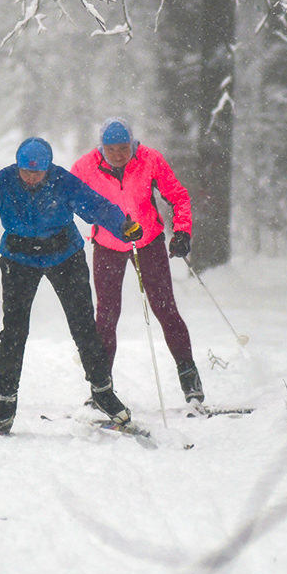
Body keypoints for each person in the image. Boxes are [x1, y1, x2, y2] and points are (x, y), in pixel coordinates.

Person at [0, 137, 144, 434]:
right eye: (26, 171)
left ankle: (103, 392)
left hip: (64, 255)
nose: (31, 177)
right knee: (14, 330)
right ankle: (4, 402)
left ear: (48, 168)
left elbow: (96, 207)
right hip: (19, 258)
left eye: (38, 172)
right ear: (17, 166)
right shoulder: (3, 181)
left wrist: (122, 226)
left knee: (83, 325)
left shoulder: (62, 181)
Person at [70, 117, 203, 408]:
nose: (118, 155)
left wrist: (181, 232)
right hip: (107, 245)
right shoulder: (84, 167)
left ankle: (190, 381)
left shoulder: (150, 159)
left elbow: (178, 197)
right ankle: (101, 390)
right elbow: (69, 199)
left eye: (124, 148)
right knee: (106, 317)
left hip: (148, 242)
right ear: (100, 148)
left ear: (133, 143)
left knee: (165, 309)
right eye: (111, 149)